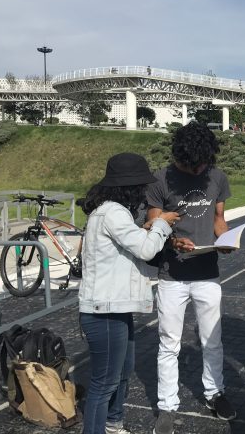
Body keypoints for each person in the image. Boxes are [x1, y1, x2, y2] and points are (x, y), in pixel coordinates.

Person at [78, 153, 178, 434]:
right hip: (104, 311)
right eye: (141, 187)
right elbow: (145, 250)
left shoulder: (111, 212)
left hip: (115, 307)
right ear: (131, 187)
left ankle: (113, 424)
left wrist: (145, 228)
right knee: (104, 383)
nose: (145, 193)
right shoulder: (113, 212)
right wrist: (162, 223)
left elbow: (129, 243)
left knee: (122, 373)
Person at [148, 122, 236, 434]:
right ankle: (167, 406)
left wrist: (225, 240)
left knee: (212, 339)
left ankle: (214, 393)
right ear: (180, 157)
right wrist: (172, 241)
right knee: (169, 343)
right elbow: (150, 225)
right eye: (193, 165)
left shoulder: (217, 176)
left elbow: (218, 219)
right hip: (172, 274)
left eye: (204, 164)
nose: (199, 169)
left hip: (207, 273)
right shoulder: (161, 179)